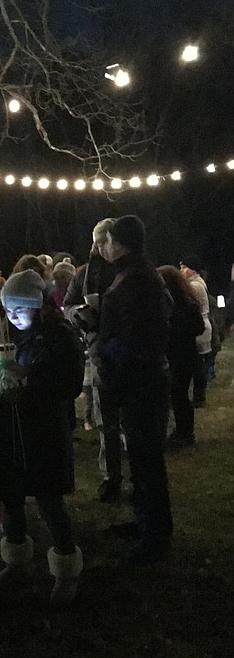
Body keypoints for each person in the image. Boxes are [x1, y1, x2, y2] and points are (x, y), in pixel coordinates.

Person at [0, 270, 85, 605]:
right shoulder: (5, 334)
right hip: (10, 430)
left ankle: (66, 569)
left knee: (48, 501)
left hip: (44, 432)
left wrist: (29, 380)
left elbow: (69, 384)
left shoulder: (59, 335)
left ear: (39, 306)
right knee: (12, 497)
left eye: (19, 310)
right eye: (8, 310)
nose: (12, 317)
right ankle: (16, 562)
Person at [99, 216, 173, 564]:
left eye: (109, 240)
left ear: (122, 242)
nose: (105, 246)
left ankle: (154, 536)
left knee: (147, 459)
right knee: (142, 458)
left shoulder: (137, 279)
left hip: (140, 381)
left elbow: (136, 337)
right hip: (140, 379)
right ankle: (145, 522)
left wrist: (105, 346)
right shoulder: (136, 274)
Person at [64, 218, 123, 503]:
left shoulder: (127, 271)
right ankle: (111, 476)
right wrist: (79, 314)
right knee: (106, 422)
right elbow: (68, 304)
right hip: (100, 353)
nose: (101, 248)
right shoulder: (85, 273)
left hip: (126, 352)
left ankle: (136, 477)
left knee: (128, 422)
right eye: (96, 242)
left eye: (105, 242)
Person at [157, 266, 204, 447]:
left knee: (177, 396)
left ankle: (183, 433)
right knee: (181, 395)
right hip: (187, 355)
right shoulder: (189, 304)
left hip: (176, 356)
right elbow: (198, 328)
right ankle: (185, 431)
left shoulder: (170, 307)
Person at [179, 255, 212, 408]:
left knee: (197, 364)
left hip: (199, 328)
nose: (181, 271)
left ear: (192, 269)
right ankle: (199, 397)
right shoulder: (198, 283)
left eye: (184, 268)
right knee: (198, 363)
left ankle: (199, 397)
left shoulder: (194, 286)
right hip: (202, 326)